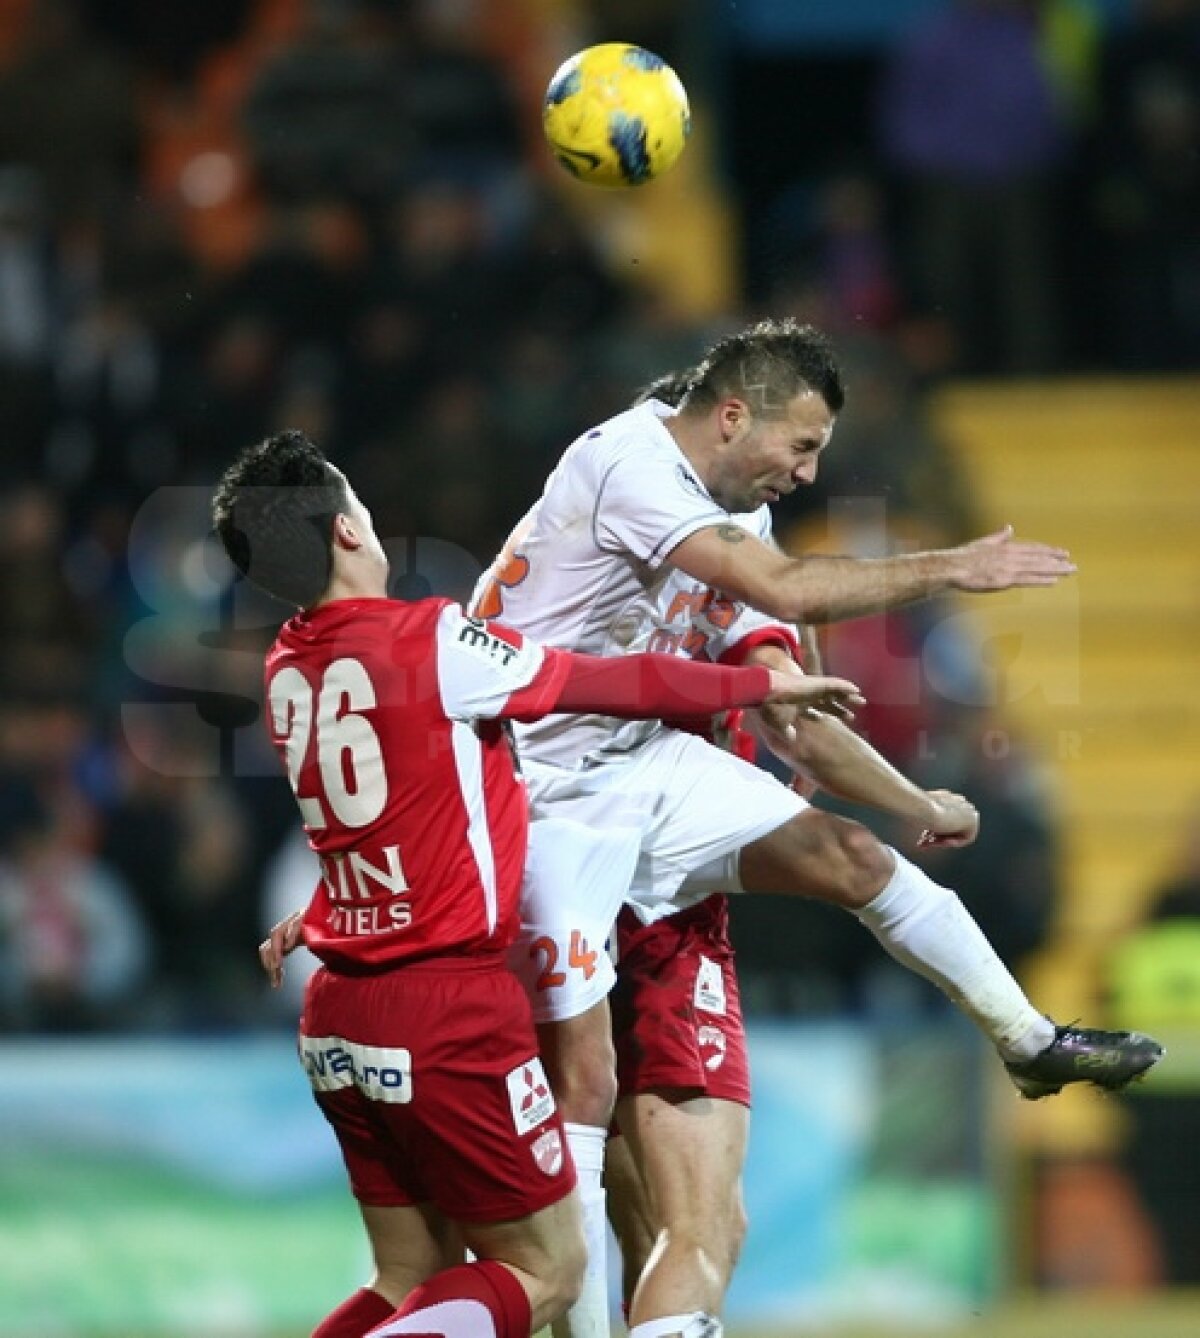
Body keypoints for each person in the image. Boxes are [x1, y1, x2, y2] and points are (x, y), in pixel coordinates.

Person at [471, 319, 1164, 1338]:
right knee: (593, 1114)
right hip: (533, 791)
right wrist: (956, 565)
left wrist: (916, 806)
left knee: (850, 854)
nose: (805, 475)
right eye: (799, 449)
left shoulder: (739, 525)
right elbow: (789, 594)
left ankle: (1029, 1039)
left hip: (643, 766)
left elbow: (791, 710)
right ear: (733, 416)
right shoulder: (630, 464)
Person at [214, 427, 864, 1338]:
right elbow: (605, 680)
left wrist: (326, 909)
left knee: (405, 1278)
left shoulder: (287, 664)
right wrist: (749, 692)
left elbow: (379, 822)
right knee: (546, 1270)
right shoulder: (433, 638)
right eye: (356, 499)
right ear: (348, 533)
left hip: (337, 1007)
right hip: (443, 1005)